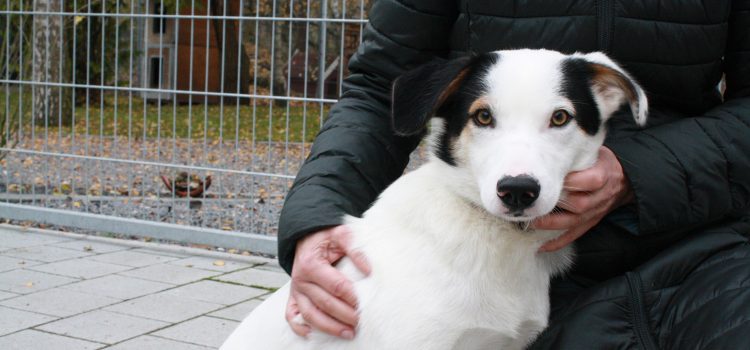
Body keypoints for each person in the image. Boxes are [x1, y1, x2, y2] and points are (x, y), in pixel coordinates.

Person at [276, 1, 750, 348]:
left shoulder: (600, 86)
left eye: (558, 119)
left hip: (699, 250)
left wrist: (638, 173)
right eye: (485, 118)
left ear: (614, 97)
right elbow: (380, 89)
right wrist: (315, 217)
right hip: (537, 273)